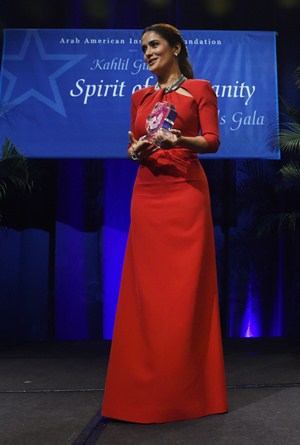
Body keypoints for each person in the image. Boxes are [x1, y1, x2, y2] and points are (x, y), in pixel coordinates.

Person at [101, 23, 228, 424]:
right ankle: (142, 392)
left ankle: (186, 393)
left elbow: (212, 140)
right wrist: (135, 150)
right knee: (146, 294)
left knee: (183, 293)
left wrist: (181, 142)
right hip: (148, 194)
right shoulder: (140, 95)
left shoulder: (201, 89)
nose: (147, 53)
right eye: (143, 48)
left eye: (154, 45)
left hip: (186, 196)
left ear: (175, 48)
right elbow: (133, 144)